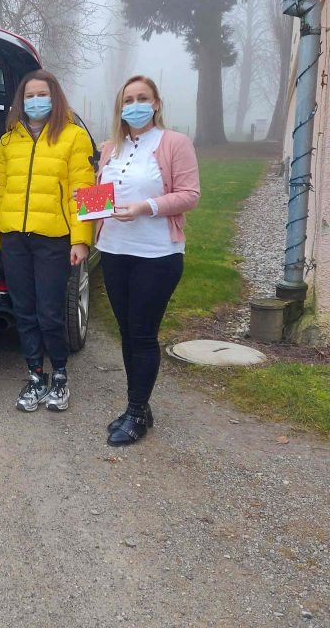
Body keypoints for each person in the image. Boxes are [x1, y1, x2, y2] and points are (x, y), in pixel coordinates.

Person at [96, 75, 200, 446]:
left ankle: (136, 411)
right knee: (127, 331)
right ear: (120, 107)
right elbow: (103, 196)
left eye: (143, 98)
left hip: (156, 254)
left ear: (156, 103)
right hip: (113, 250)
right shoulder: (111, 148)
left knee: (141, 333)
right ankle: (138, 404)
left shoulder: (174, 143)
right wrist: (87, 205)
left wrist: (146, 207)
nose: (135, 105)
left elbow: (190, 194)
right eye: (128, 100)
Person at [0, 70, 94, 413]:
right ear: (21, 101)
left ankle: (59, 375)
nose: (35, 101)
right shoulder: (7, 142)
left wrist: (82, 240)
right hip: (13, 238)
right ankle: (35, 375)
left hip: (54, 239)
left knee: (50, 312)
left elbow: (85, 191)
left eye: (41, 94)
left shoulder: (75, 136)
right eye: (29, 95)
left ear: (54, 97)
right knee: (24, 312)